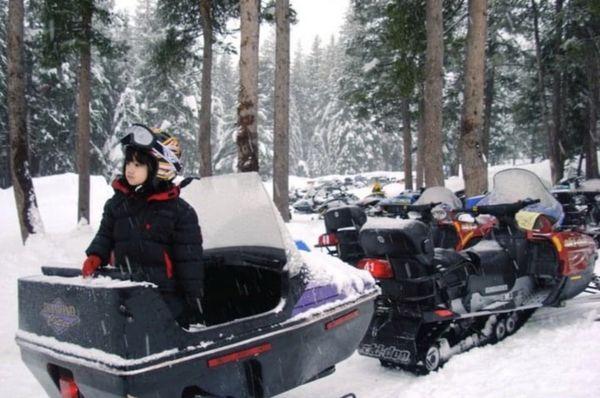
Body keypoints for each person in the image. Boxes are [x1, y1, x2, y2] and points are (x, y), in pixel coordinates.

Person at [81, 123, 203, 328]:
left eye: (138, 165)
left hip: (164, 301)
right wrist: (95, 256)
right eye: (128, 162)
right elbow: (105, 236)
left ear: (161, 168)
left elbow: (190, 265)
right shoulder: (117, 204)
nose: (130, 169)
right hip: (124, 295)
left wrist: (193, 306)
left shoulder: (180, 212)